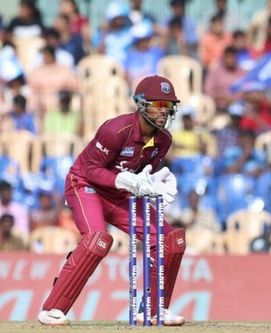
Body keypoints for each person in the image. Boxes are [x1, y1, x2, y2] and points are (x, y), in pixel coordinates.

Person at [37, 75, 186, 326]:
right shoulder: (116, 129)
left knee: (169, 240)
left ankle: (152, 310)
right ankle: (52, 309)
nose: (164, 112)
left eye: (168, 106)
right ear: (141, 104)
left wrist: (154, 184)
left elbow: (142, 175)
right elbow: (92, 170)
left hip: (119, 195)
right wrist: (125, 181)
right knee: (98, 240)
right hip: (85, 185)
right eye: (158, 105)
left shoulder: (164, 140)